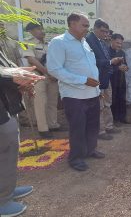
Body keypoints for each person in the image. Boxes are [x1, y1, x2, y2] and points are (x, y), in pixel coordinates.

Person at [47, 12, 105, 171]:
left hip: (92, 93)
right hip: (74, 95)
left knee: (93, 125)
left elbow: (91, 68)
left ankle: (90, 150)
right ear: (72, 24)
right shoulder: (59, 42)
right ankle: (76, 158)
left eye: (88, 26)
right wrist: (83, 80)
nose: (87, 29)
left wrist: (97, 89)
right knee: (78, 127)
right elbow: (54, 69)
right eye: (84, 25)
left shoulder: (85, 43)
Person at [1, 48, 43, 216]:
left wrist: (21, 76)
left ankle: (7, 189)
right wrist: (13, 77)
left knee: (10, 150)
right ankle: (2, 200)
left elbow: (5, 67)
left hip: (7, 104)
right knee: (4, 152)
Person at [20, 22, 62, 139]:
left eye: (42, 28)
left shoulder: (49, 44)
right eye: (38, 29)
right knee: (40, 102)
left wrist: (54, 74)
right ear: (31, 31)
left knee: (52, 101)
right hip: (38, 75)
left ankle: (53, 124)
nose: (42, 31)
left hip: (52, 77)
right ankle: (43, 129)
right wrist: (46, 72)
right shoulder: (26, 43)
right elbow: (32, 60)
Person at [86, 19, 122, 140]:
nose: (106, 34)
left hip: (106, 77)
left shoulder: (101, 41)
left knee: (107, 103)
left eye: (107, 32)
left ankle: (109, 126)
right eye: (103, 31)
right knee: (99, 105)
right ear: (95, 28)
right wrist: (111, 62)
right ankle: (100, 131)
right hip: (97, 78)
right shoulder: (89, 41)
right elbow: (92, 61)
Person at [109, 33, 130, 124]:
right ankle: (114, 119)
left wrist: (125, 67)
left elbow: (125, 65)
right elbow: (106, 67)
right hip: (111, 80)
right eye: (117, 43)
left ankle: (122, 118)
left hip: (121, 80)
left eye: (121, 43)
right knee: (113, 100)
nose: (119, 45)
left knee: (122, 99)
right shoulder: (107, 52)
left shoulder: (122, 53)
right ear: (112, 41)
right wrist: (117, 68)